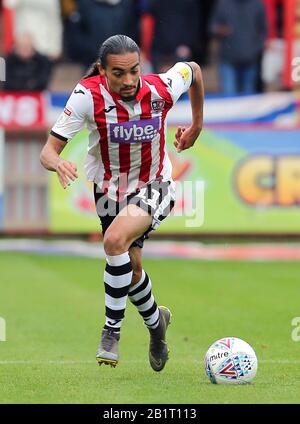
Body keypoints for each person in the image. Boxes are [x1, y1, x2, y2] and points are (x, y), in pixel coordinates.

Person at [40, 34, 204, 371]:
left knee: (114, 241)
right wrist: (59, 164)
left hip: (156, 184)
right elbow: (48, 150)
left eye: (134, 71)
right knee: (131, 271)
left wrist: (197, 125)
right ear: (102, 70)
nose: (128, 80)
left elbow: (195, 71)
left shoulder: (161, 88)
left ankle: (111, 332)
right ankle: (157, 322)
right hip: (109, 191)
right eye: (118, 73)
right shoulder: (87, 96)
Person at [211, 0, 268, 95]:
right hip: (228, 59)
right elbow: (212, 27)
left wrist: (255, 50)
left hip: (250, 60)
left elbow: (263, 31)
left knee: (248, 101)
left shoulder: (257, 4)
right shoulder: (223, 3)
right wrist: (221, 30)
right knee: (229, 99)